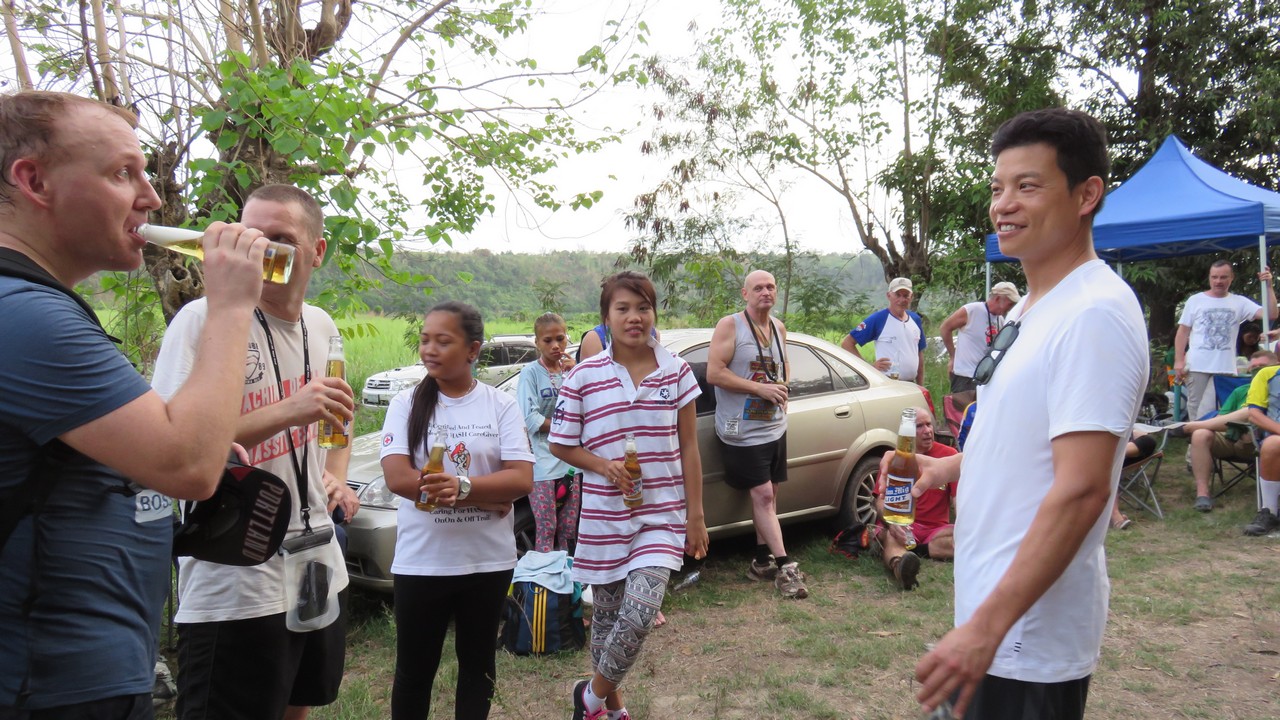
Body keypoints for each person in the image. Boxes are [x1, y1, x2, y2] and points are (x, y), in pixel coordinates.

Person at [0, 91, 271, 718]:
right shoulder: (27, 317)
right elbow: (188, 465)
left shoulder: (41, 307)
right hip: (48, 684)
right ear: (33, 181)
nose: (150, 197)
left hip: (80, 675)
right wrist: (231, 305)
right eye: (123, 173)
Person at [911, 109, 1148, 719]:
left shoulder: (1094, 313)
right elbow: (1024, 439)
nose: (1004, 205)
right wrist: (948, 468)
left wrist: (987, 628)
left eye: (1028, 186)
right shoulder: (1031, 308)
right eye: (998, 188)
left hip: (1026, 636)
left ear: (1086, 195)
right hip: (995, 621)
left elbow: (1083, 488)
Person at [151, 184, 357, 720]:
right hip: (236, 578)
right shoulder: (203, 320)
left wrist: (336, 474)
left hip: (318, 565)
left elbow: (338, 414)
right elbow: (172, 449)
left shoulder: (321, 324)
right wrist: (289, 410)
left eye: (280, 238)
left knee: (299, 707)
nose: (261, 249)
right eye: (251, 235)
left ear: (318, 251)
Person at [550, 271, 708, 720]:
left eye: (643, 307)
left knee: (639, 613)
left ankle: (588, 698)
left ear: (654, 314)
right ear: (606, 317)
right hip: (604, 518)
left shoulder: (676, 371)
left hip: (661, 516)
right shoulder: (584, 376)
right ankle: (612, 709)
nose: (634, 317)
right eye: (623, 309)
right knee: (606, 620)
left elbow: (690, 446)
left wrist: (696, 515)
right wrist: (604, 466)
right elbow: (560, 443)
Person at [380, 301, 534, 719]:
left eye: (443, 341)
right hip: (422, 562)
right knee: (414, 672)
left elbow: (521, 479)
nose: (429, 349)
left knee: (478, 668)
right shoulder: (406, 404)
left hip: (487, 562)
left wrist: (462, 487)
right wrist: (486, 496)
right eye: (425, 340)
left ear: (472, 350)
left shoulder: (500, 405)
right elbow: (398, 477)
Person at [706, 269, 807, 599]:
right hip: (741, 430)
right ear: (745, 293)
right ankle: (786, 567)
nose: (766, 292)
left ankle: (761, 562)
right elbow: (714, 373)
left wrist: (783, 388)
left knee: (770, 495)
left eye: (771, 287)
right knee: (763, 495)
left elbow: (784, 363)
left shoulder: (778, 327)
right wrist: (759, 389)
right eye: (759, 287)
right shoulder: (730, 326)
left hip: (774, 426)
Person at [1170, 350, 1279, 513]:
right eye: (1253, 367)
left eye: (1262, 366)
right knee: (1201, 434)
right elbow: (1221, 419)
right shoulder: (1240, 391)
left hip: (1260, 441)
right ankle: (1202, 494)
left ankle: (1188, 427)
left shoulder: (1275, 391)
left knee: (1249, 412)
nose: (1257, 370)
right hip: (1232, 438)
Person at [1174, 259, 1276, 421]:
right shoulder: (1195, 300)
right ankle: (1196, 436)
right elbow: (1182, 332)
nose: (1218, 281)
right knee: (1197, 410)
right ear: (1209, 277)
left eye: (1223, 277)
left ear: (1231, 278)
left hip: (1225, 367)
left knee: (1223, 412)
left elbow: (1271, 314)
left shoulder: (1239, 302)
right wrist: (1179, 360)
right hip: (1197, 365)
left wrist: (1269, 286)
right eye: (1214, 277)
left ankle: (1216, 437)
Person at [874, 406, 958, 590]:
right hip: (901, 524)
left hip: (935, 530)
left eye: (929, 424)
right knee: (891, 535)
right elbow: (880, 500)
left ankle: (919, 550)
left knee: (962, 538)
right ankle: (901, 568)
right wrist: (891, 523)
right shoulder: (895, 459)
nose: (927, 431)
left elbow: (957, 499)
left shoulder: (949, 457)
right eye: (919, 426)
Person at [517, 312, 581, 552]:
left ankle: (568, 574)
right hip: (542, 463)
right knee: (547, 527)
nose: (555, 345)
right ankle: (544, 574)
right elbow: (530, 418)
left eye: (560, 339)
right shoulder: (531, 374)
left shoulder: (573, 371)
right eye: (548, 340)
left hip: (571, 462)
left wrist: (576, 374)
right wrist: (565, 426)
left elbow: (587, 409)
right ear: (537, 342)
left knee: (568, 529)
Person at [841, 277, 927, 385]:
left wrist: (921, 385)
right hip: (887, 383)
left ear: (911, 297)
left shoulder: (915, 319)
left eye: (906, 296)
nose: (902, 300)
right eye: (897, 295)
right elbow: (847, 343)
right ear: (889, 295)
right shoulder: (878, 319)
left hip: (911, 384)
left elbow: (919, 354)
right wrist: (869, 367)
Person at [939, 282, 1022, 393]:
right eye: (1010, 304)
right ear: (998, 299)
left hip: (985, 377)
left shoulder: (1000, 320)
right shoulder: (971, 310)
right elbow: (945, 328)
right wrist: (953, 356)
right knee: (964, 404)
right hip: (965, 376)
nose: (1010, 308)